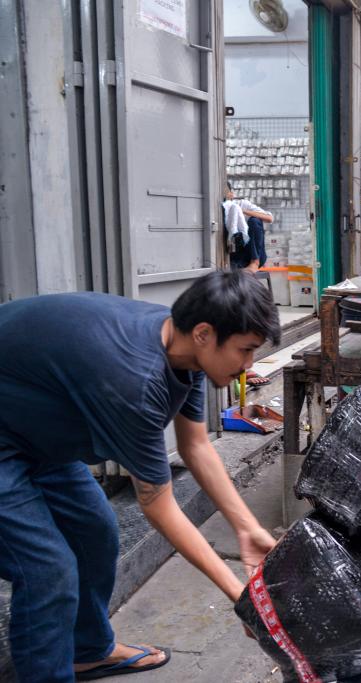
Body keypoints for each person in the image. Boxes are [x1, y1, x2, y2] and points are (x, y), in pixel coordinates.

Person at [0, 271, 282, 682]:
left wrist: (246, 527)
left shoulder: (184, 350)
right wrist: (242, 596)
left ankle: (87, 651)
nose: (248, 365)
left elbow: (196, 446)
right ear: (205, 334)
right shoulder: (135, 381)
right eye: (245, 350)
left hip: (30, 432)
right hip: (9, 439)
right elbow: (158, 506)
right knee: (47, 568)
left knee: (94, 533)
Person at [224, 182, 274, 273]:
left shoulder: (242, 204)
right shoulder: (219, 210)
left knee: (254, 220)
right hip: (236, 256)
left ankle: (255, 262)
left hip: (252, 253)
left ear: (231, 194)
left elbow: (269, 218)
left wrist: (241, 211)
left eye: (225, 192)